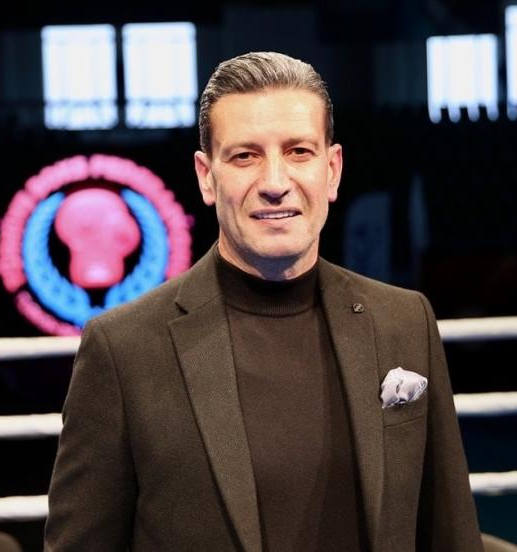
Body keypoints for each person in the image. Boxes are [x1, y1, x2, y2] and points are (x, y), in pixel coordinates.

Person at [45, 51, 483, 551]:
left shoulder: (404, 321)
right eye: (245, 156)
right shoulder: (122, 349)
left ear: (332, 169)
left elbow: (450, 532)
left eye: (299, 151)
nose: (275, 183)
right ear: (206, 176)